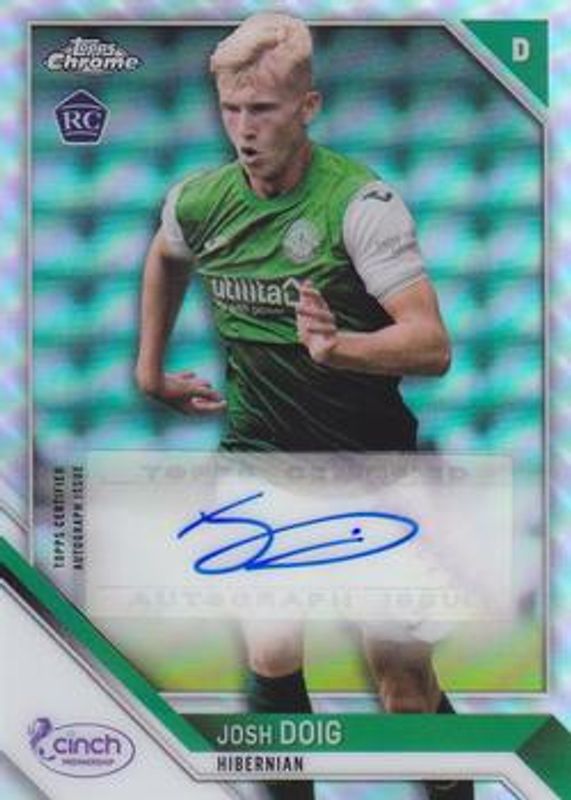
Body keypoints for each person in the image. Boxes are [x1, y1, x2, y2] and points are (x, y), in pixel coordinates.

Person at [136, 13, 472, 800]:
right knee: (272, 653)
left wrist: (340, 349)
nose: (243, 129)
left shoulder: (360, 206)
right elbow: (165, 254)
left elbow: (431, 345)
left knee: (401, 687)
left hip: (375, 475)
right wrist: (149, 370)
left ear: (308, 107)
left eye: (263, 109)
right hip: (260, 464)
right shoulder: (200, 201)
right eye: (231, 109)